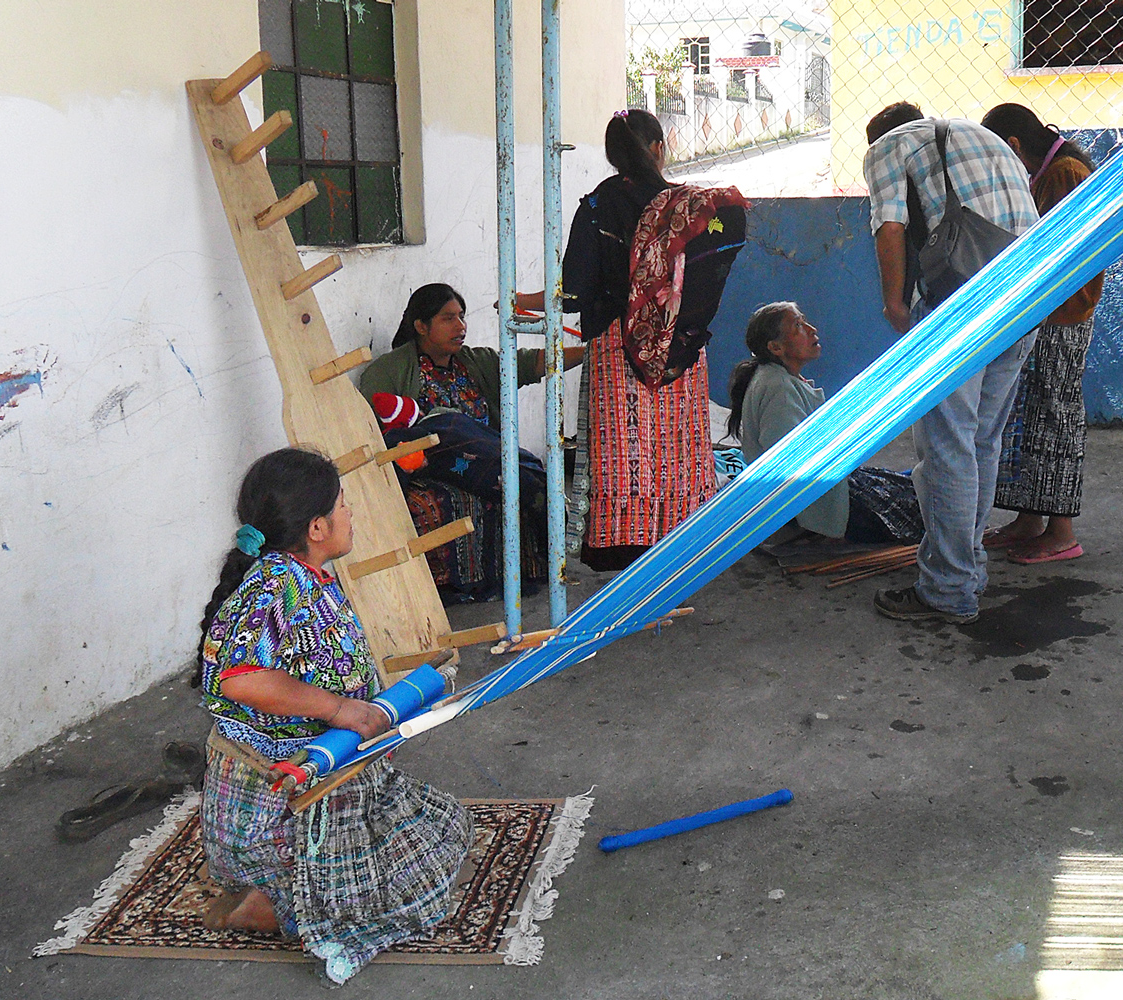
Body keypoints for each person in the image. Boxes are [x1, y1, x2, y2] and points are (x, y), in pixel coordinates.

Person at [193, 448, 474, 985]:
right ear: (318, 526)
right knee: (417, 887)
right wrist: (341, 708)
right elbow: (238, 677)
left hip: (332, 775)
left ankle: (279, 897)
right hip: (284, 807)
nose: (352, 515)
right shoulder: (272, 588)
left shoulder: (308, 576)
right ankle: (273, 906)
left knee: (446, 830)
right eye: (344, 505)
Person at [516, 108, 730, 572]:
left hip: (620, 346)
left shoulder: (596, 207)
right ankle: (684, 539)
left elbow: (572, 292)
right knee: (679, 442)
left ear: (614, 157)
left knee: (625, 445)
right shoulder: (688, 206)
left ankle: (624, 547)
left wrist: (521, 300)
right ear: (659, 148)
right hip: (681, 348)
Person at [862, 101, 1040, 624]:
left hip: (964, 302)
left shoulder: (888, 147)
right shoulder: (981, 136)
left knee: (945, 447)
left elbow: (890, 226)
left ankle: (946, 589)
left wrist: (895, 304)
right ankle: (969, 568)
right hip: (1028, 294)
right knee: (981, 440)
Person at [358, 283, 582, 602]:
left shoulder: (474, 362)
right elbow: (377, 431)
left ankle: (528, 570)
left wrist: (592, 353)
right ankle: (461, 585)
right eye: (448, 318)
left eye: (461, 317)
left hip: (483, 457)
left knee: (528, 477)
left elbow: (533, 363)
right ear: (421, 325)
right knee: (450, 498)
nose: (461, 327)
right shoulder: (390, 370)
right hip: (427, 466)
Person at [979, 104, 1105, 564]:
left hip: (1061, 314)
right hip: (1047, 312)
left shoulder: (1064, 172)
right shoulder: (1056, 168)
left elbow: (1059, 251)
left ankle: (1062, 534)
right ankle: (1032, 521)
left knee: (1055, 414)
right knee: (1033, 414)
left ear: (1014, 146)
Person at [728, 301, 923, 545]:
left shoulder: (780, 379)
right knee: (922, 512)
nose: (812, 329)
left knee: (914, 486)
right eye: (798, 326)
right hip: (807, 504)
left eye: (805, 320)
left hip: (823, 488)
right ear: (775, 347)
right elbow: (787, 464)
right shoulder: (778, 388)